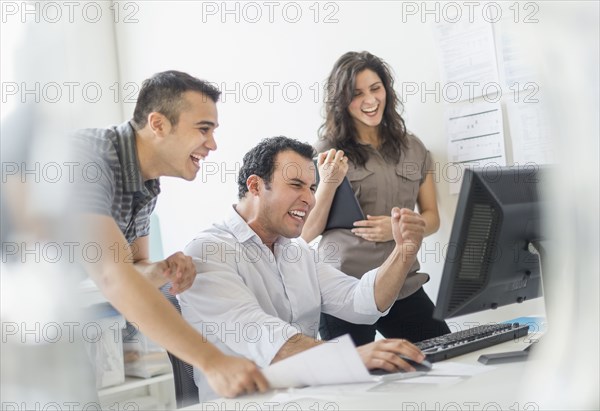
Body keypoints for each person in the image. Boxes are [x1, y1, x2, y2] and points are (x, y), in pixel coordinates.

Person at [179, 136, 428, 401]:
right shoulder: (207, 252)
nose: (309, 199)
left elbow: (362, 303)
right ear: (255, 186)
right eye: (296, 185)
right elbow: (267, 338)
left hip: (311, 397)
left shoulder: (296, 251)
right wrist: (351, 358)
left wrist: (404, 252)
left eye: (311, 188)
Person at [73, 71, 268, 398]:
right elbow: (113, 276)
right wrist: (212, 361)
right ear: (159, 124)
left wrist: (163, 270)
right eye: (203, 129)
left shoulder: (146, 183)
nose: (213, 144)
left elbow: (134, 268)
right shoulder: (89, 158)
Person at [301, 51, 451, 346]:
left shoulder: (414, 148)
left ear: (386, 90)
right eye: (357, 94)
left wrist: (400, 228)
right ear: (342, 101)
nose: (370, 100)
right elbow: (305, 232)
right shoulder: (325, 151)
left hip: (402, 284)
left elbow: (432, 217)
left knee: (447, 353)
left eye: (375, 88)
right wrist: (329, 183)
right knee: (353, 381)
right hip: (344, 289)